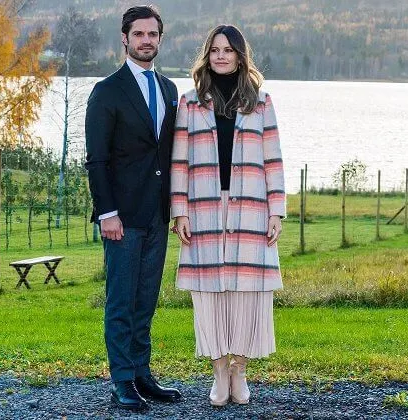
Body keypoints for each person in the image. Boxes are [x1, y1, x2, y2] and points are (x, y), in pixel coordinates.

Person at [170, 24, 285, 407]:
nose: (221, 56)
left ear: (239, 56)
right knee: (209, 294)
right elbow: (179, 161)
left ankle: (240, 370)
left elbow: (273, 160)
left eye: (228, 50)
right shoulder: (189, 103)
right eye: (215, 49)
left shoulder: (261, 102)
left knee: (247, 294)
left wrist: (277, 210)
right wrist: (179, 211)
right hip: (203, 208)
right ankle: (219, 371)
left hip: (251, 208)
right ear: (208, 55)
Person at [85, 4, 181, 411]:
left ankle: (142, 374)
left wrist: (177, 208)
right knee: (121, 302)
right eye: (139, 34)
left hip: (157, 214)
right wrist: (107, 214)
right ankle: (122, 380)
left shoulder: (169, 90)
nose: (146, 40)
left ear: (160, 39)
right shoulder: (107, 91)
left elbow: (170, 154)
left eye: (152, 34)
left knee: (146, 301)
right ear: (124, 39)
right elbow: (97, 159)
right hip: (121, 218)